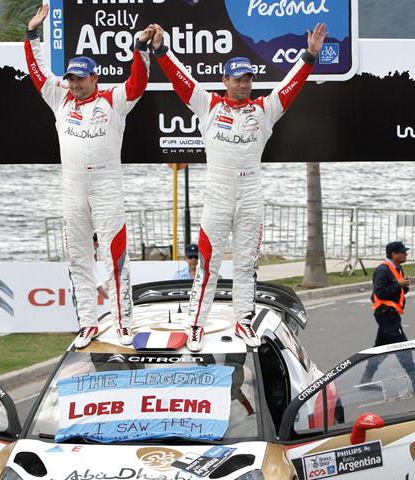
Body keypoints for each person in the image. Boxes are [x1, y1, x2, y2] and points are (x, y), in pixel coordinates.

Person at [150, 23, 328, 351]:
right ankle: (195, 325)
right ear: (225, 81)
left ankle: (243, 320)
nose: (243, 84)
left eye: (247, 79)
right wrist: (162, 50)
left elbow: (291, 87)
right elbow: (180, 81)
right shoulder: (209, 106)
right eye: (237, 79)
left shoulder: (264, 110)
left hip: (251, 196)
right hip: (217, 195)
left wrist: (310, 56)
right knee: (207, 263)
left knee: (246, 264)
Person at [25, 6, 154, 348]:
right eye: (72, 78)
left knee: (114, 255)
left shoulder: (113, 99)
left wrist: (140, 50)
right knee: (77, 257)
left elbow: (138, 83)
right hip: (72, 188)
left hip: (106, 185)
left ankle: (124, 322)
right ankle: (87, 323)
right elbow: (38, 73)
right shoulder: (60, 99)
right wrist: (31, 35)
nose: (76, 84)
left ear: (94, 78)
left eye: (81, 78)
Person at [359, 241, 415, 392]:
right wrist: (398, 285)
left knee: (380, 348)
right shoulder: (382, 270)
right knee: (403, 346)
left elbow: (396, 293)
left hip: (392, 314)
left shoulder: (398, 269)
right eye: (403, 252)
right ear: (394, 254)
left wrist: (404, 287)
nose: (406, 254)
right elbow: (379, 293)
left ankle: (365, 379)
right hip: (386, 314)